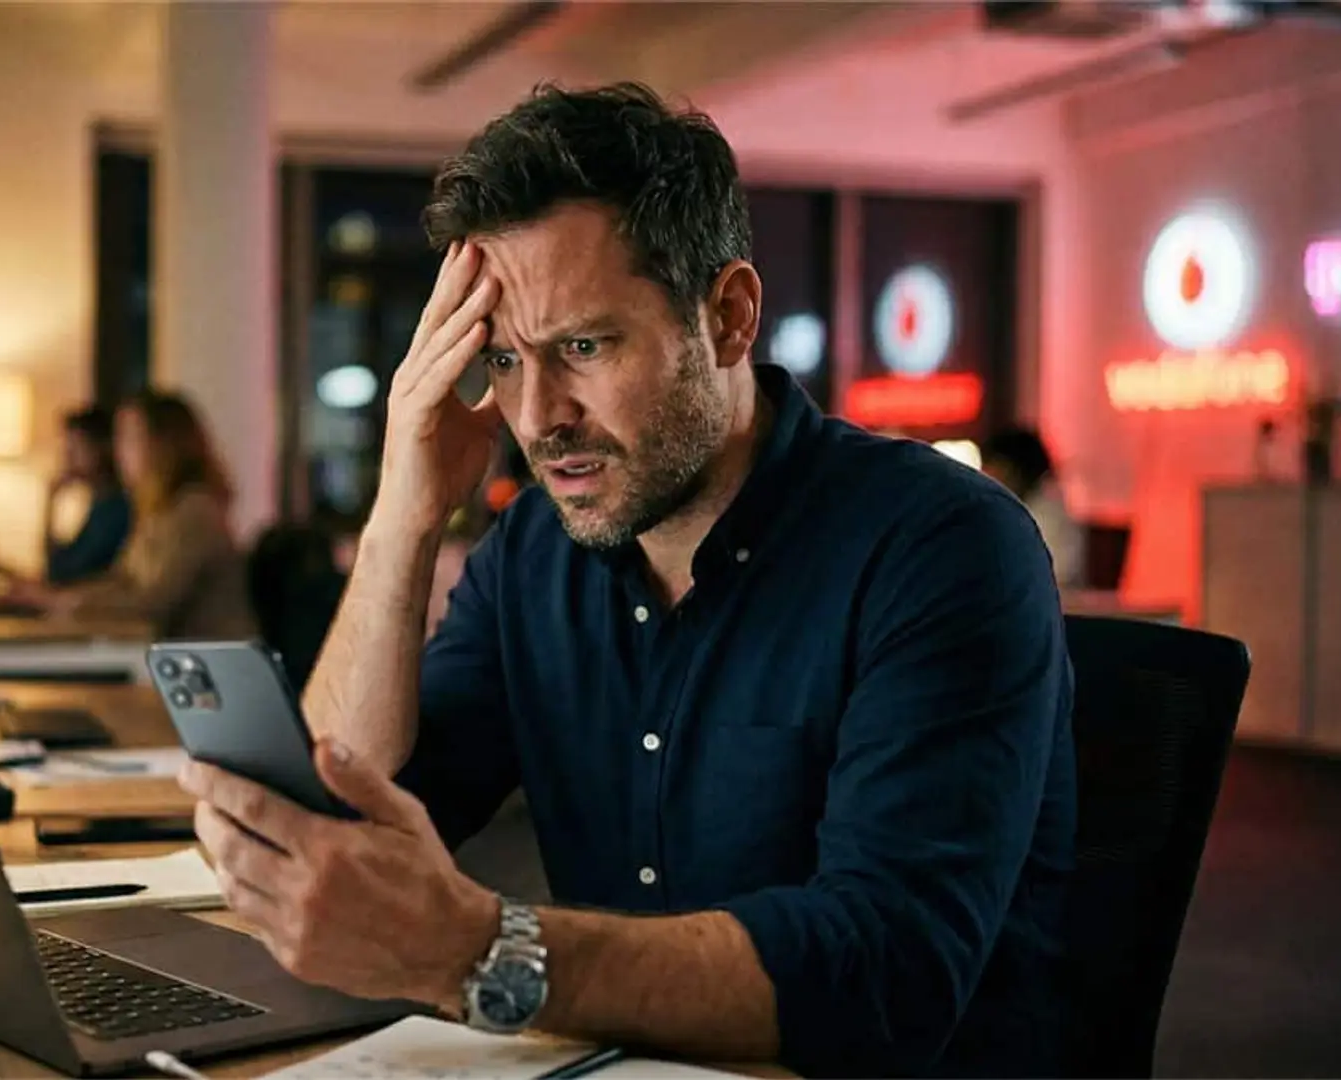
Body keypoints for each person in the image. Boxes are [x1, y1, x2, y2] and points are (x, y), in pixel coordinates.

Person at [177, 83, 1075, 1078]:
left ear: (728, 318)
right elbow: (347, 823)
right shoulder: (536, 557)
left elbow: (882, 975)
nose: (538, 415)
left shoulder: (940, 547)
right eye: (507, 360)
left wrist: (484, 948)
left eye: (584, 347)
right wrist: (406, 514)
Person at [17, 390, 254, 639]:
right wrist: (57, 599)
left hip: (211, 666)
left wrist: (61, 602)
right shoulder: (159, 512)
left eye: (129, 438)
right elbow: (123, 580)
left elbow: (152, 602)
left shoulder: (195, 512)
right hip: (174, 658)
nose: (118, 452)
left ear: (163, 445)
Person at [982, 426, 1086, 589]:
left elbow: (1053, 579)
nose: (987, 477)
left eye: (992, 468)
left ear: (1016, 471)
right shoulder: (1020, 510)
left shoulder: (1049, 516)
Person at [43, 406, 132, 585]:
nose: (67, 457)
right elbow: (56, 566)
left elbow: (64, 577)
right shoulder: (98, 504)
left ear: (102, 450)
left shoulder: (117, 511)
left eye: (76, 447)